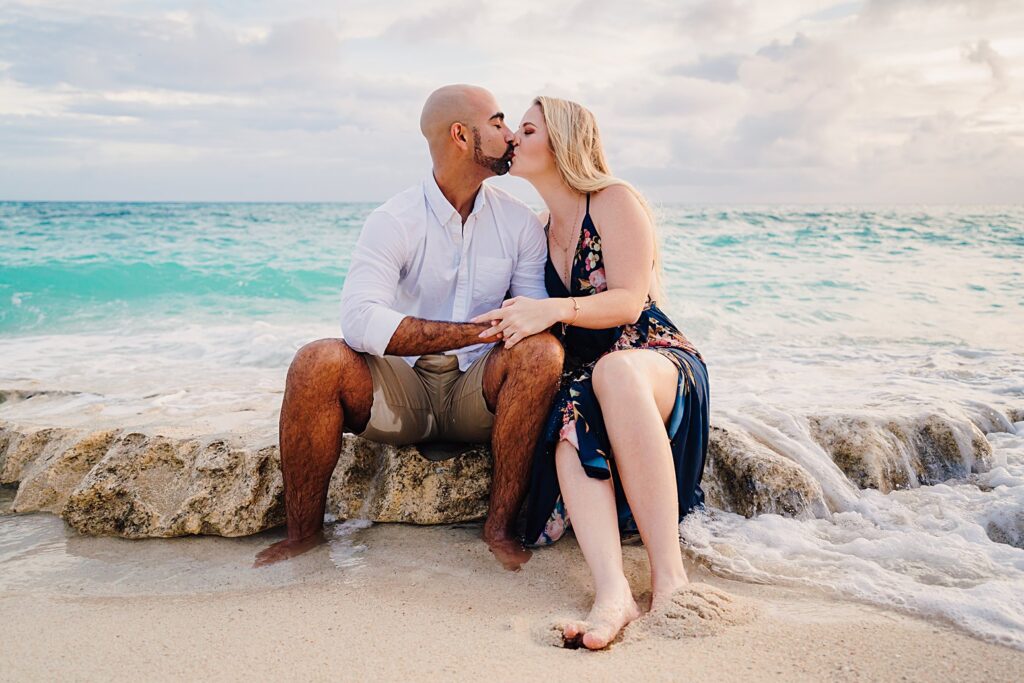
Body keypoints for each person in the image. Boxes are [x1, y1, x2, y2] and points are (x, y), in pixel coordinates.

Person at [255, 85, 564, 571]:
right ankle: (303, 536)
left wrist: (501, 332)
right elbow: (359, 319)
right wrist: (468, 333)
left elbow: (532, 314)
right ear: (461, 135)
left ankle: (499, 529)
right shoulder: (393, 219)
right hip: (402, 394)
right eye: (498, 123)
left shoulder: (519, 222)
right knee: (316, 360)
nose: (509, 136)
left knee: (542, 352)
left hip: (476, 395)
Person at [471, 96, 710, 648]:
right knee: (568, 416)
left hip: (654, 360)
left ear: (561, 141)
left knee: (615, 376)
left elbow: (628, 301)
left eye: (526, 129)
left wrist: (556, 309)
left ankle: (670, 580)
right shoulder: (534, 227)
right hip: (591, 377)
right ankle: (612, 593)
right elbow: (523, 308)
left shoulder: (612, 199)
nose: (513, 139)